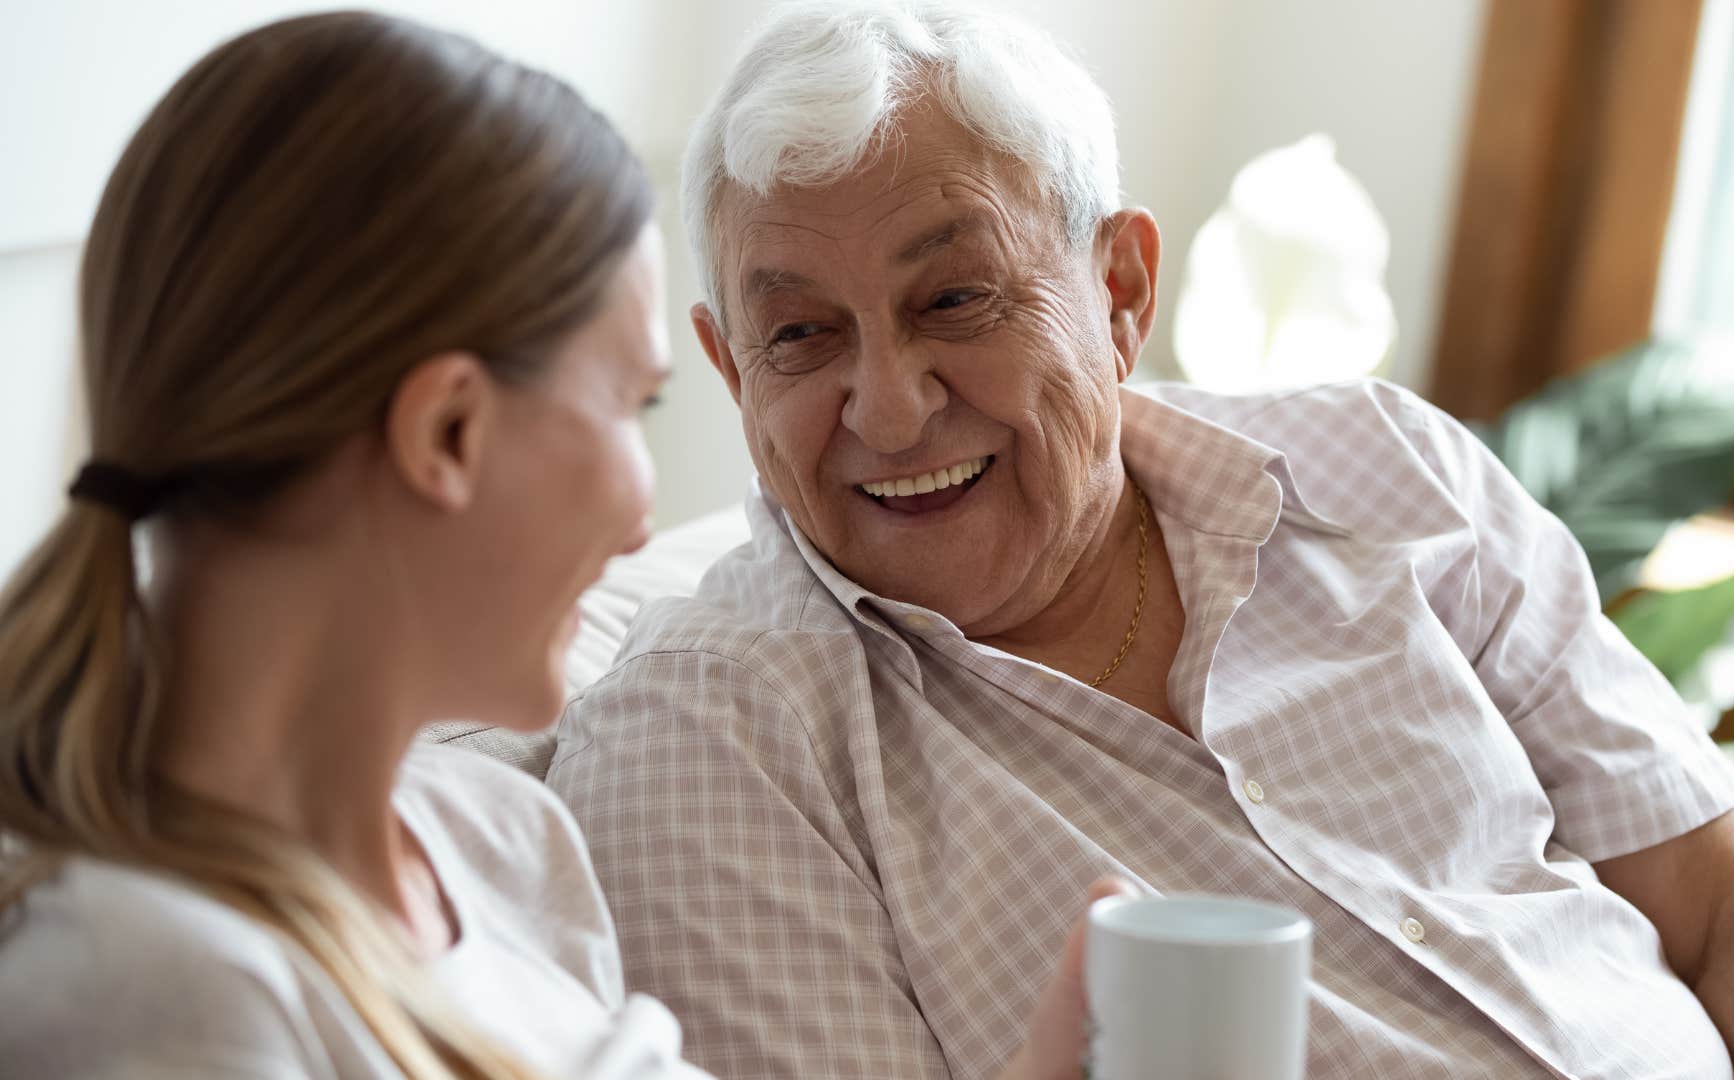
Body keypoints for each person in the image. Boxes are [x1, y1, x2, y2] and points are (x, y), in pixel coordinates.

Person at [549, 2, 1734, 1078]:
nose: (891, 407)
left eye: (957, 299)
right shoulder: (712, 739)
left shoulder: (1383, 472)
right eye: (804, 335)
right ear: (732, 375)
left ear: (1122, 288)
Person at [0, 12, 1103, 1079]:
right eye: (636, 406)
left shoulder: (497, 845)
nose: (641, 517)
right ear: (449, 433)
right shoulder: (151, 984)